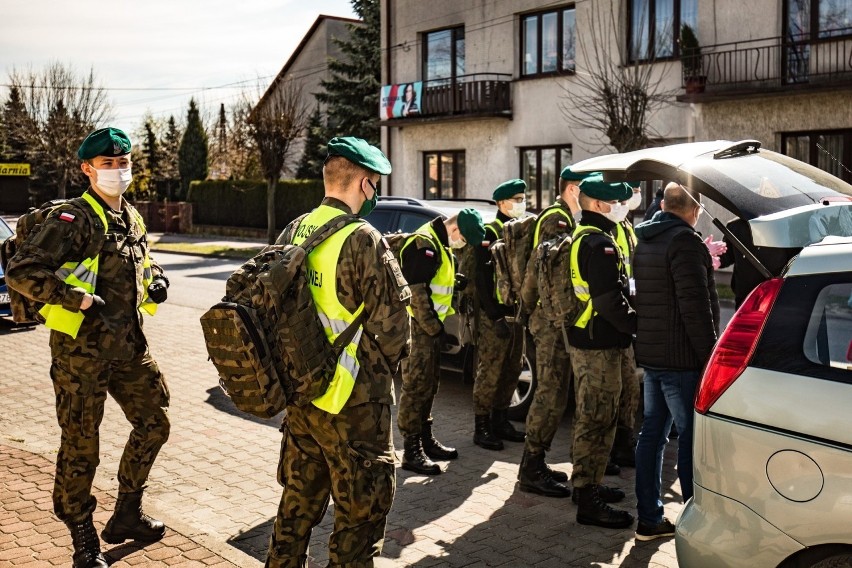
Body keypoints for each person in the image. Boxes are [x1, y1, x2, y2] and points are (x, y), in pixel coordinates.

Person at [6, 127, 171, 568]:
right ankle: (83, 537)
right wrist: (73, 298)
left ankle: (128, 514)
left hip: (130, 348)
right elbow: (21, 271)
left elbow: (142, 263)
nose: (118, 171)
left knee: (155, 424)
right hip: (81, 355)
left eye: (123, 163)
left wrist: (154, 281)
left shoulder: (131, 217)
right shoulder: (74, 219)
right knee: (82, 446)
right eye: (107, 164)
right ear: (87, 169)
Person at [265, 137, 410, 566]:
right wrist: (376, 379)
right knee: (359, 519)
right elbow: (393, 332)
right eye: (375, 184)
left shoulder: (294, 229)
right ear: (363, 184)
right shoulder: (363, 238)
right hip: (353, 403)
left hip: (302, 397)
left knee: (296, 508)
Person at [632, 182, 720, 541]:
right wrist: (710, 357)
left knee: (652, 434)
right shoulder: (684, 241)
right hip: (682, 360)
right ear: (694, 209)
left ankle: (649, 518)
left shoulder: (647, 238)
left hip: (654, 356)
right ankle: (693, 528)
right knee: (689, 438)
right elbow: (695, 308)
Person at [567, 174, 636, 529]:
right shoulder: (599, 245)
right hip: (598, 343)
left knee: (591, 416)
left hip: (590, 340)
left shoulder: (590, 237)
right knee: (598, 419)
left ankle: (585, 486)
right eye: (616, 201)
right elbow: (609, 300)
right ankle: (588, 499)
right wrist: (635, 325)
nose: (621, 207)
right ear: (597, 204)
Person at [397, 207, 486, 475]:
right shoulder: (426, 243)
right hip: (418, 328)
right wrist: (434, 328)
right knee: (415, 387)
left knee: (429, 385)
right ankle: (411, 450)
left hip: (429, 329)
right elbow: (416, 292)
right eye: (463, 240)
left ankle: (425, 439)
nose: (461, 246)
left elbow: (434, 282)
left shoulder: (440, 244)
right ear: (456, 229)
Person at [514, 166, 584, 497]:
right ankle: (531, 467)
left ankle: (536, 462)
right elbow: (539, 271)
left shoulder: (563, 219)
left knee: (554, 392)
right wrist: (529, 311)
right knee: (550, 392)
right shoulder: (556, 220)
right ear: (572, 190)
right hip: (551, 322)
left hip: (549, 319)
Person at [471, 179, 527, 451]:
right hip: (494, 315)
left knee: (512, 370)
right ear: (502, 203)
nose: (521, 203)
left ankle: (501, 419)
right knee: (490, 371)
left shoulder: (517, 232)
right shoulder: (489, 233)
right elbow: (481, 280)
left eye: (522, 199)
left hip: (515, 313)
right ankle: (481, 427)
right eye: (516, 199)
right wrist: (493, 317)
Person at [608, 185, 642, 469]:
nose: (631, 199)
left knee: (629, 388)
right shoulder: (607, 231)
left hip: (627, 310)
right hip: (612, 320)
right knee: (610, 393)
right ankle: (609, 450)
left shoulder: (627, 226)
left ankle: (624, 442)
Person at [717, 217, 800, 308]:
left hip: (775, 294)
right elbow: (726, 256)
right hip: (745, 295)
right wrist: (713, 258)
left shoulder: (785, 227)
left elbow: (795, 260)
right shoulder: (735, 226)